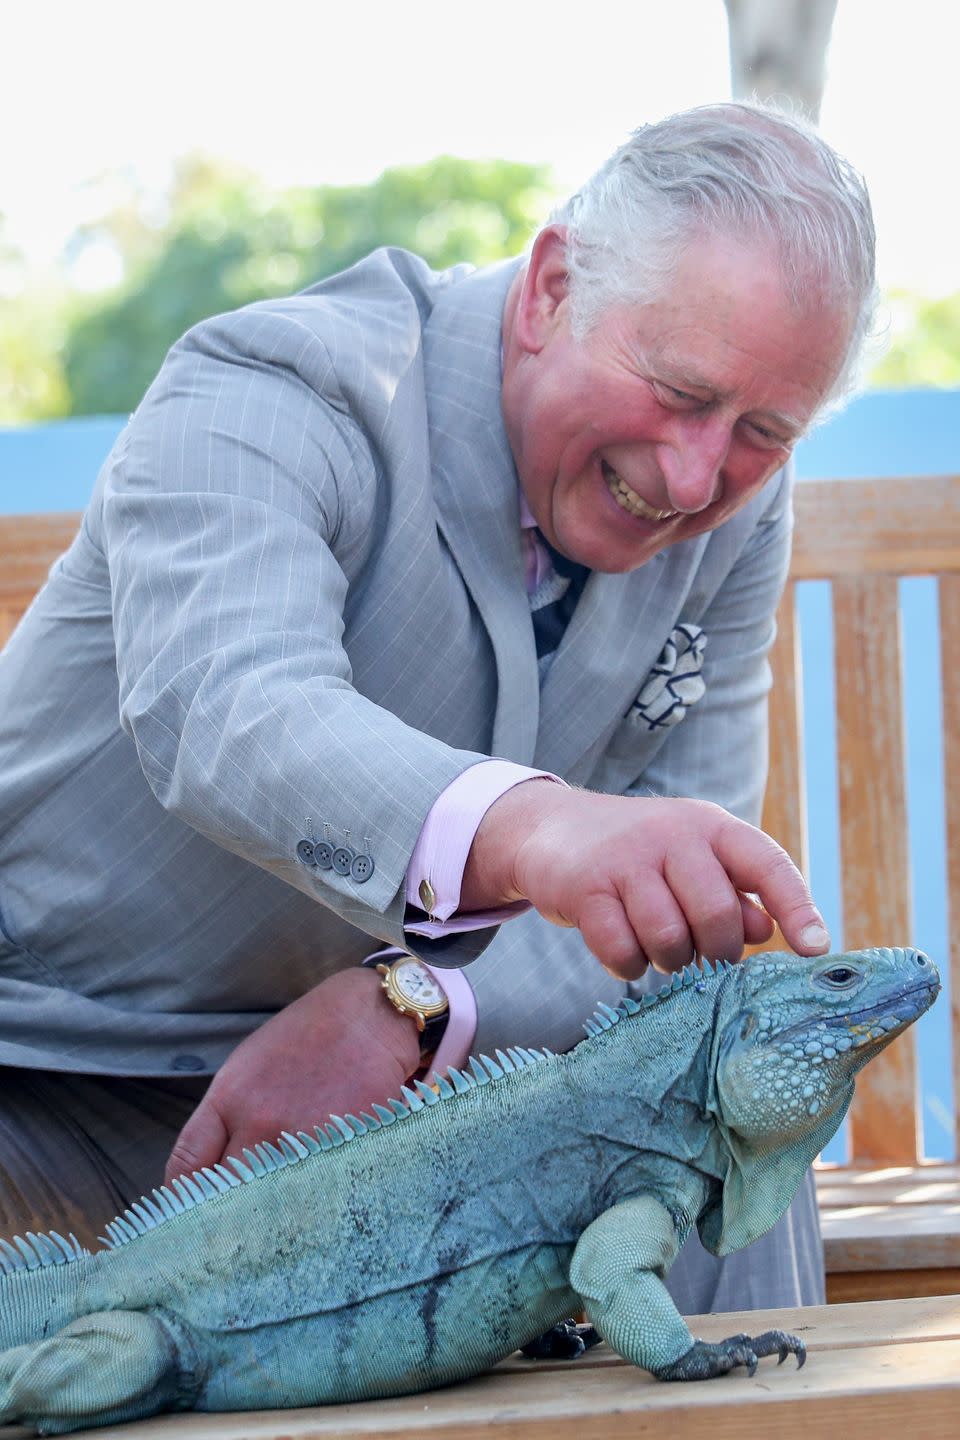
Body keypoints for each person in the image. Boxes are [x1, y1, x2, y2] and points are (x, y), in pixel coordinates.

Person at [0, 101, 875, 1317]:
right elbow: (232, 708)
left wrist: (413, 1000)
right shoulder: (273, 384)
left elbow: (675, 912)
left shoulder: (738, 512)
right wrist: (538, 828)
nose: (692, 478)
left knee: (711, 1155)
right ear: (550, 288)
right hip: (47, 1066)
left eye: (762, 433)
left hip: (402, 1105)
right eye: (677, 391)